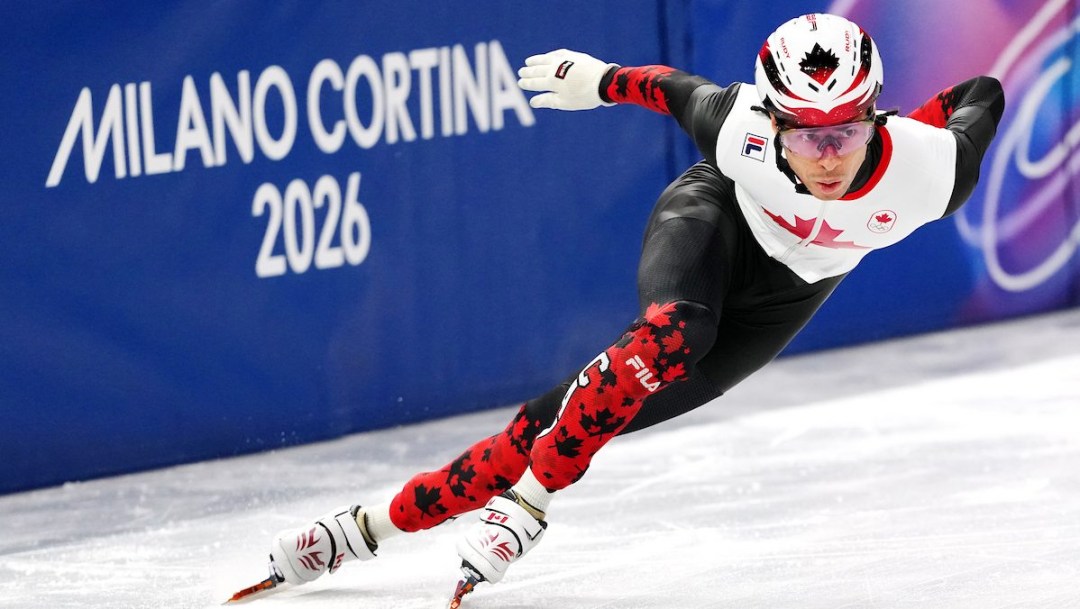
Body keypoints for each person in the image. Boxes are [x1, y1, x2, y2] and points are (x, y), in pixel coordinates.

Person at [257, 12, 1004, 601]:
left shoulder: (933, 173)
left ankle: (357, 531)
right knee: (676, 331)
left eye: (846, 130)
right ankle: (527, 507)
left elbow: (984, 95)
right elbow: (673, 87)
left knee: (553, 425)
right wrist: (600, 79)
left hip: (787, 296)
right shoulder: (739, 125)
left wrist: (922, 118)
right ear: (772, 124)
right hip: (718, 219)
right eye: (806, 139)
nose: (829, 157)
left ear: (875, 113)